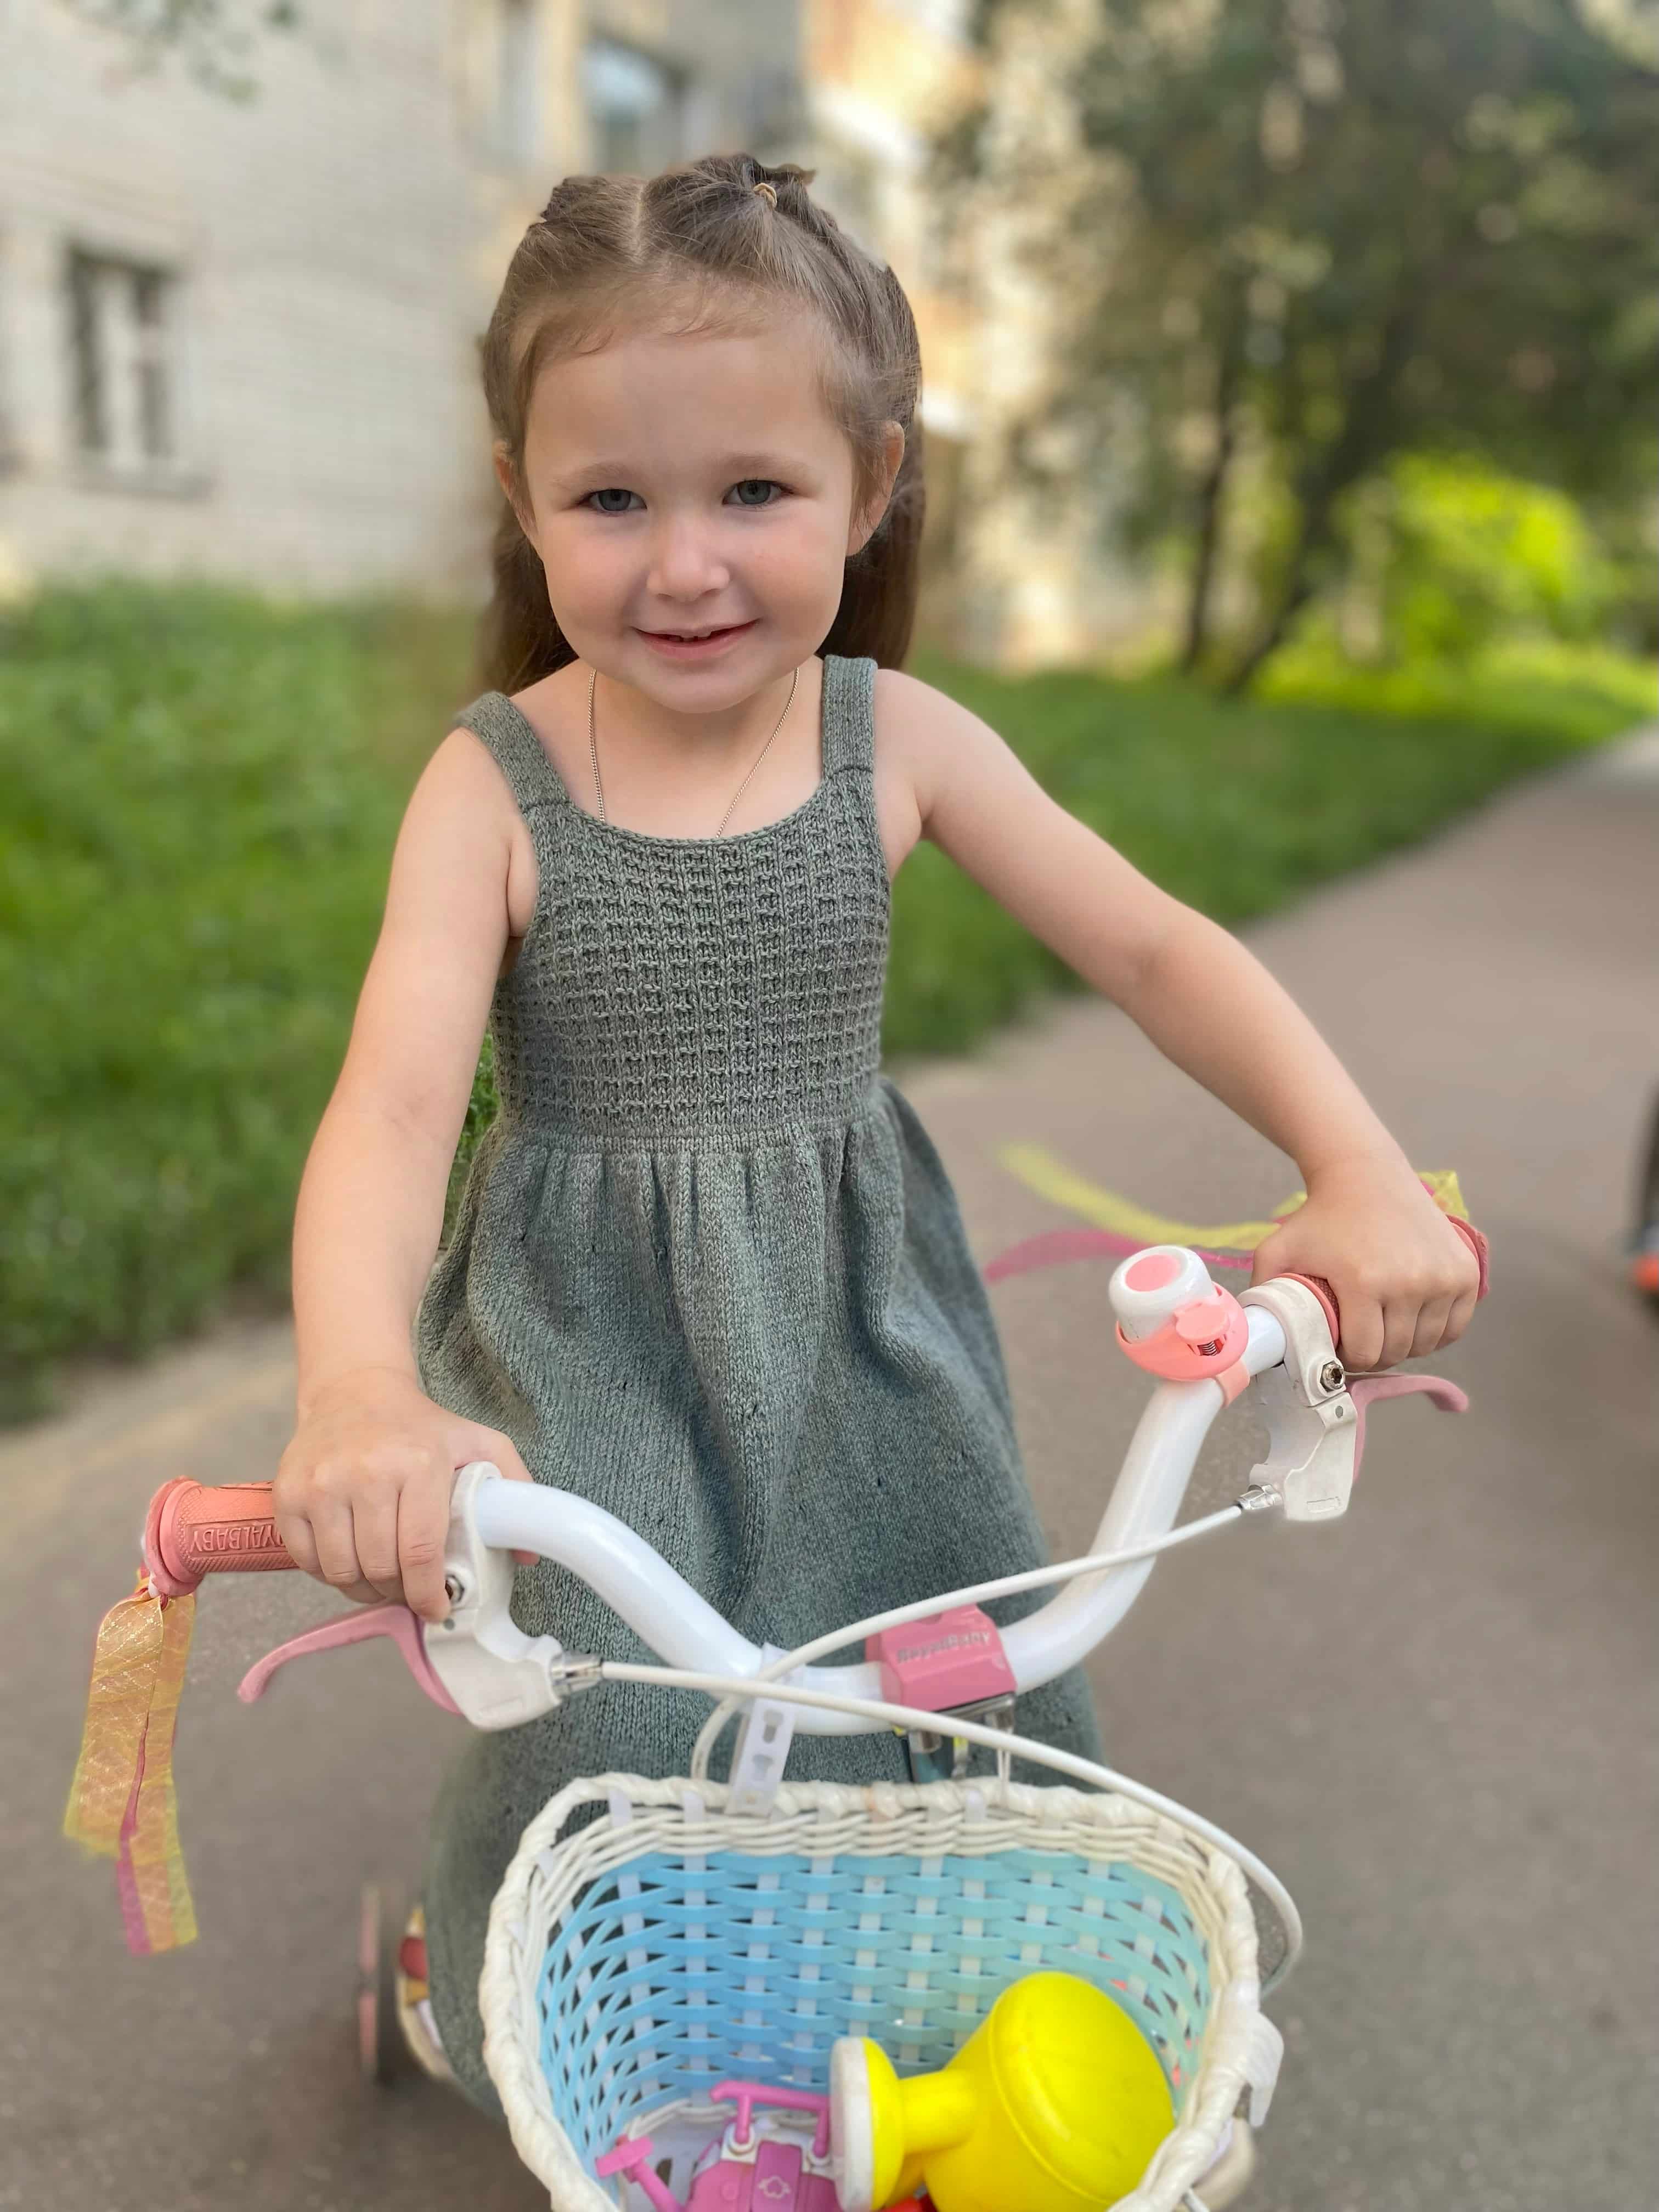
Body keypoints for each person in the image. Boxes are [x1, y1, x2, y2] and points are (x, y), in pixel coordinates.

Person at [273, 154, 1481, 2115]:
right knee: (611, 1709)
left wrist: (1354, 1171)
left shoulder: (893, 740)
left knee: (972, 1665)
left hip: (859, 1321)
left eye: (754, 491)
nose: (685, 564)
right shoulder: (491, 783)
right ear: (525, 500)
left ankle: (934, 2011)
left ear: (872, 481)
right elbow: (394, 1109)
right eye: (612, 500)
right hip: (587, 1338)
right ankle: (500, 1984)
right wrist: (356, 1393)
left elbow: (1156, 948)